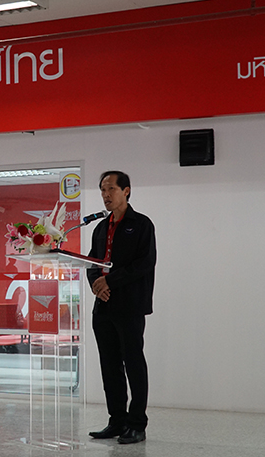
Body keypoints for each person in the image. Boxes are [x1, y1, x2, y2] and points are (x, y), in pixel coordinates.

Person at [87, 170, 156, 445]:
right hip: (103, 306)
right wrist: (96, 285)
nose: (106, 195)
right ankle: (116, 420)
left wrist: (109, 281)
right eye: (103, 190)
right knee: (109, 365)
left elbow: (144, 263)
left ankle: (137, 424)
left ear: (126, 191)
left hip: (129, 305)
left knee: (133, 363)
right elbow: (91, 262)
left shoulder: (141, 225)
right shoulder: (100, 228)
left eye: (111, 189)